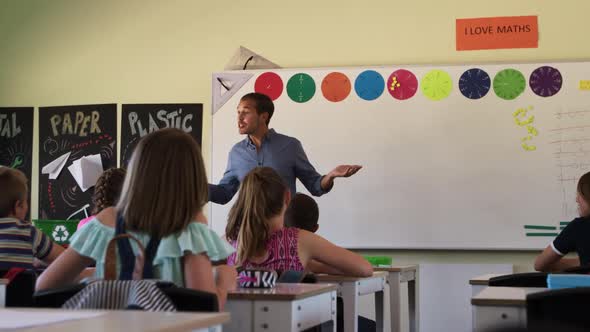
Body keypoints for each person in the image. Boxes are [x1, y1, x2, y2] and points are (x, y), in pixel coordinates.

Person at [36, 128, 237, 309]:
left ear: (136, 172)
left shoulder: (105, 221)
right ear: (192, 179)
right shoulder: (190, 226)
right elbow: (202, 305)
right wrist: (224, 282)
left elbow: (43, 286)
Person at [209, 92, 362, 204]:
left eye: (246, 112)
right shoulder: (236, 152)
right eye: (238, 112)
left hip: (285, 233)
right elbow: (224, 194)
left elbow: (315, 186)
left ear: (264, 116)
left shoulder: (290, 146)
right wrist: (195, 186)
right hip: (250, 236)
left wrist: (331, 176)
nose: (239, 118)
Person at [225, 167, 372, 276]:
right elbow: (364, 268)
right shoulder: (298, 240)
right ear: (287, 197)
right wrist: (313, 265)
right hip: (288, 318)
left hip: (237, 318)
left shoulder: (227, 241)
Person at [0, 167, 63, 269]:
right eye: (26, 202)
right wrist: (38, 261)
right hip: (19, 285)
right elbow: (64, 259)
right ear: (18, 206)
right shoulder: (28, 232)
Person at [535, 171, 590, 272]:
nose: (577, 200)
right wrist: (584, 262)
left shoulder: (579, 227)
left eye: (580, 194)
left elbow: (539, 264)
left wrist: (583, 263)